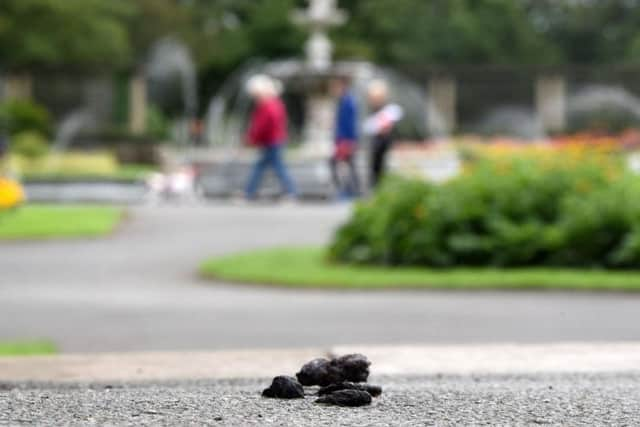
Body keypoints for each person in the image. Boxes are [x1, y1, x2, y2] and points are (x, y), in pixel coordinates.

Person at [244, 74, 297, 201]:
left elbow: (262, 125)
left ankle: (291, 191)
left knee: (273, 167)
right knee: (267, 167)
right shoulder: (274, 104)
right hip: (273, 140)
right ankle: (250, 192)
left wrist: (253, 138)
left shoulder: (269, 105)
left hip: (271, 141)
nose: (255, 98)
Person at [363, 80, 404, 188]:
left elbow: (386, 126)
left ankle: (379, 186)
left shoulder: (387, 110)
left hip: (382, 142)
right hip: (377, 141)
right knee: (374, 167)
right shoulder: (374, 111)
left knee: (380, 167)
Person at [329, 76, 360, 199]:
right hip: (344, 139)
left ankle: (347, 190)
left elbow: (350, 124)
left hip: (345, 140)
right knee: (349, 165)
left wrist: (349, 141)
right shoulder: (345, 101)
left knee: (335, 163)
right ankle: (353, 190)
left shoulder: (348, 102)